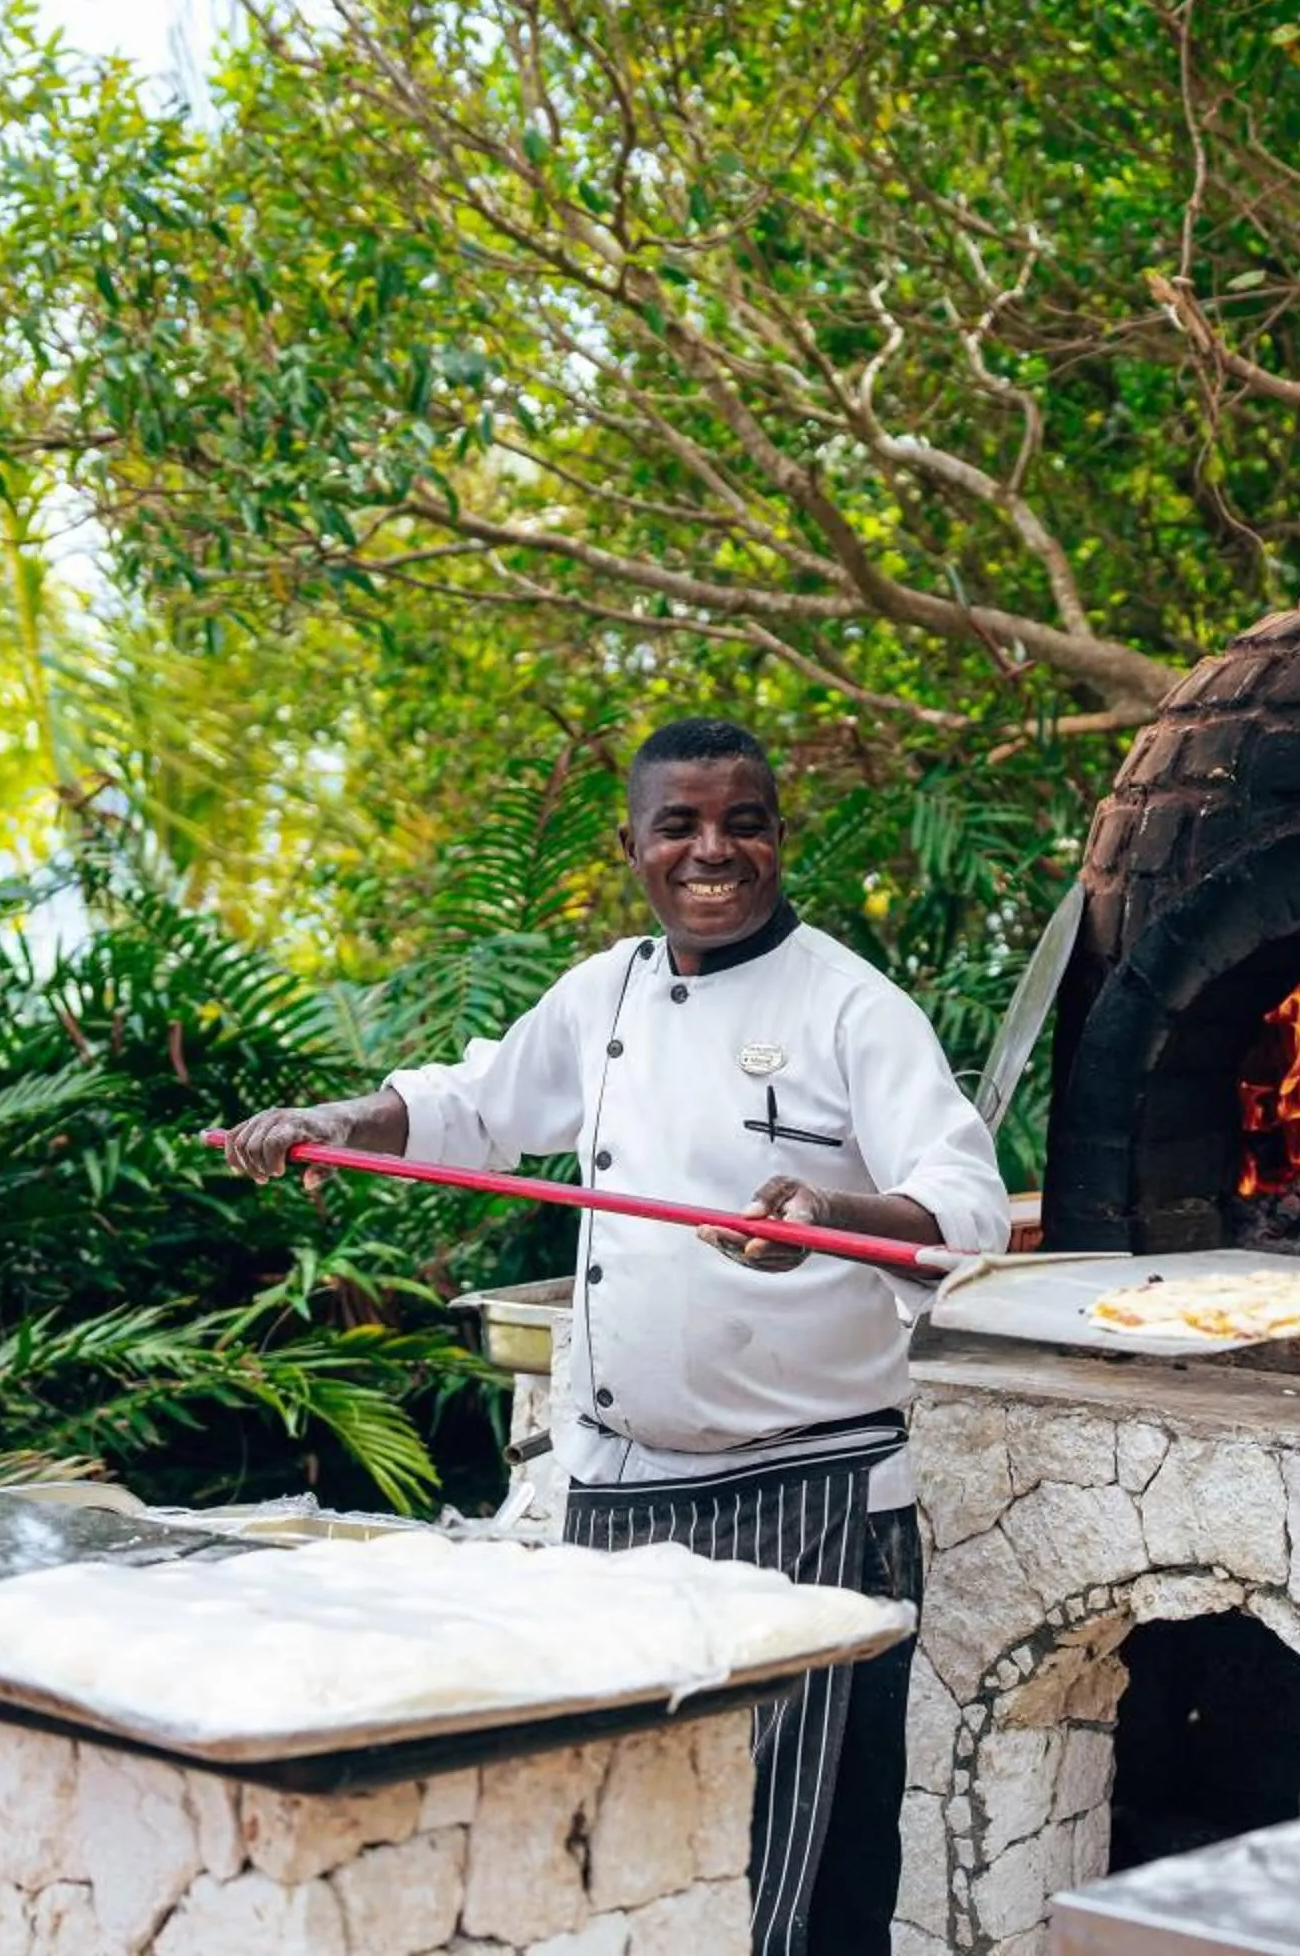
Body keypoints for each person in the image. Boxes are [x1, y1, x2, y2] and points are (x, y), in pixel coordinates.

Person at [224, 717, 1010, 1955]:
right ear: (631, 846)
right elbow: (476, 1104)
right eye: (678, 825)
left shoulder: (854, 1004)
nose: (713, 851)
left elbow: (965, 1212)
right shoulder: (606, 992)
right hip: (617, 1495)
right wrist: (337, 1117)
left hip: (810, 1496)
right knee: (633, 1850)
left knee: (802, 1877)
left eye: (743, 822)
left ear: (780, 835)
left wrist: (828, 1218)